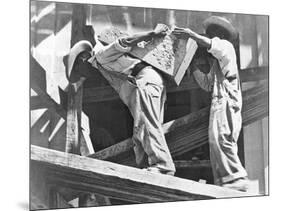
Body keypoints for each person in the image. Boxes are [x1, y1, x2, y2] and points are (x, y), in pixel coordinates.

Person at [64, 25, 176, 176]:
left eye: (79, 72)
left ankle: (162, 166)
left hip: (144, 82)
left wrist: (152, 33)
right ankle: (147, 168)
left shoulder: (101, 56)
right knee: (139, 132)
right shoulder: (101, 66)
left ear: (82, 60)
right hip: (146, 83)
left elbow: (125, 41)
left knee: (147, 125)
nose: (83, 76)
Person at [172, 16, 249, 191]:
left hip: (227, 100)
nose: (209, 36)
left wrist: (192, 35)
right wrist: (193, 67)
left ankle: (236, 177)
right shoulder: (217, 62)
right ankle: (225, 180)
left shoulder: (226, 47)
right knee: (216, 141)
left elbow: (213, 45)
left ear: (219, 33)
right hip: (219, 101)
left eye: (211, 33)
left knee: (223, 138)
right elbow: (208, 84)